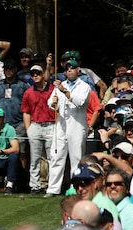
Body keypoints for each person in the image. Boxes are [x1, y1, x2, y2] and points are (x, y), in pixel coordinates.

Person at [47, 57, 90, 197]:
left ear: (78, 69)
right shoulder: (59, 85)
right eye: (66, 68)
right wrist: (53, 103)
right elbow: (51, 103)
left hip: (77, 125)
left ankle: (74, 187)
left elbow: (80, 102)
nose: (69, 70)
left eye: (72, 67)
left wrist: (64, 91)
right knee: (56, 155)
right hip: (61, 124)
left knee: (76, 157)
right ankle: (53, 189)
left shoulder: (84, 86)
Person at [22, 64, 56, 194]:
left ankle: (52, 186)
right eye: (33, 74)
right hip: (35, 126)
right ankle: (34, 186)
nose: (35, 76)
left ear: (43, 74)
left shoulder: (53, 90)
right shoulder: (28, 92)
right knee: (34, 159)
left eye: (37, 73)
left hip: (51, 125)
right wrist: (28, 129)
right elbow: (26, 112)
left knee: (51, 158)